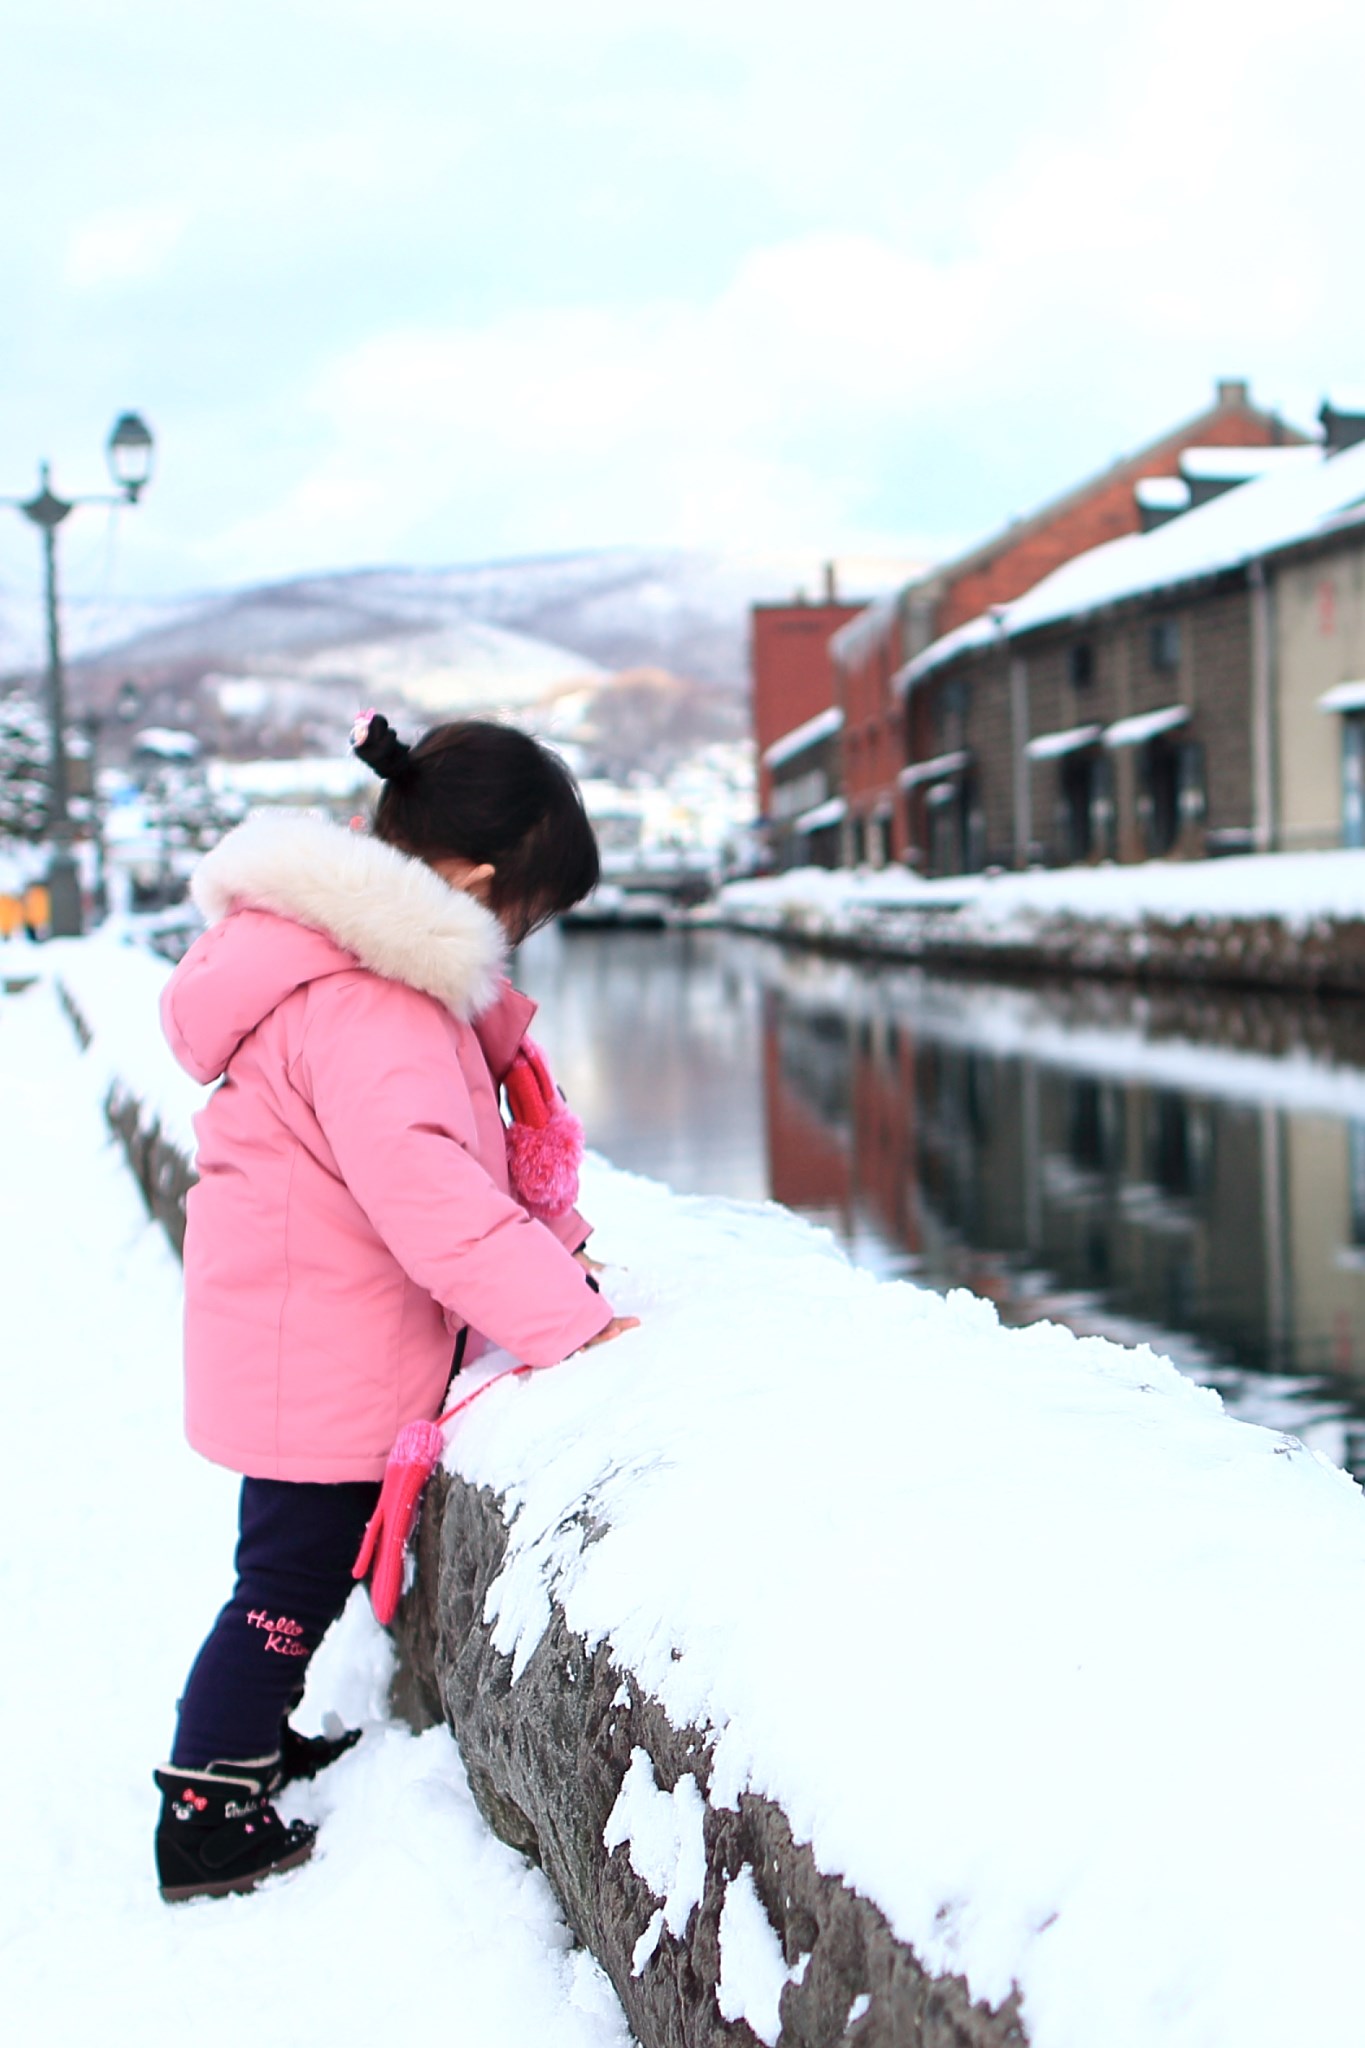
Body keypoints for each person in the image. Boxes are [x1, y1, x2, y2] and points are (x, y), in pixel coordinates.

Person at [152, 713, 638, 1903]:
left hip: (301, 1331)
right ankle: (205, 1806)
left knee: (281, 1568)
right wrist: (571, 1317)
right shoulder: (375, 1005)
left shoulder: (344, 976)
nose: (519, 940)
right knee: (284, 1583)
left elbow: (449, 1168)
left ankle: (243, 1746)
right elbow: (434, 1202)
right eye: (524, 913)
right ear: (475, 883)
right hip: (318, 1348)